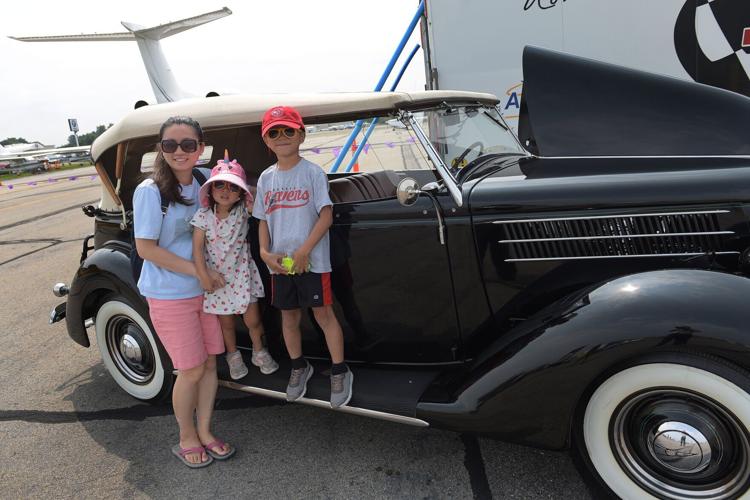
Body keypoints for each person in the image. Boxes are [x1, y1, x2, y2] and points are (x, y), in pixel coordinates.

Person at [133, 116, 235, 468]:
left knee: (209, 365)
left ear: (200, 148)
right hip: (169, 293)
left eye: (188, 144)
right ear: (161, 149)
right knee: (189, 369)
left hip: (207, 292)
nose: (180, 152)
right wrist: (199, 272)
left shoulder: (207, 181)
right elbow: (146, 248)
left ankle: (205, 431)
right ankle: (186, 436)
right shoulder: (150, 191)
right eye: (170, 145)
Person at [252, 105, 353, 408]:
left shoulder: (312, 172)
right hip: (280, 265)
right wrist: (264, 252)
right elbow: (263, 220)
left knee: (323, 314)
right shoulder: (266, 179)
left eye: (288, 130)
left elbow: (326, 215)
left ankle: (339, 370)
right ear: (267, 141)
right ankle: (298, 366)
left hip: (311, 261)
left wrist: (305, 250)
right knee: (289, 316)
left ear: (302, 135)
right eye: (274, 132)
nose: (281, 137)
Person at [191, 152, 279, 380]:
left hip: (243, 276)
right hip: (217, 280)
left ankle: (259, 351)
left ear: (241, 193)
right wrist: (203, 276)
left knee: (253, 320)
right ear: (210, 190)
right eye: (218, 185)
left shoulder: (242, 211)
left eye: (232, 186)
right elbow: (197, 249)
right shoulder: (202, 216)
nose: (225, 190)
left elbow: (262, 201)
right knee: (227, 324)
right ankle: (233, 356)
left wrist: (246, 186)